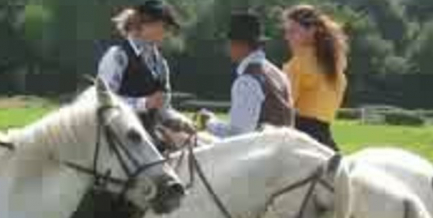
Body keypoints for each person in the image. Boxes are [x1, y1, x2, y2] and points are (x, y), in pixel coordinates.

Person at [97, 0, 191, 146]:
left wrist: (181, 121)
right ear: (146, 25)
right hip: (118, 142)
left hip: (150, 140)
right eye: (164, 26)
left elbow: (164, 110)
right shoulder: (117, 55)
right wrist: (144, 103)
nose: (167, 32)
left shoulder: (161, 64)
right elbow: (104, 101)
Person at [202, 11, 294, 137]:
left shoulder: (247, 81)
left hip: (260, 153)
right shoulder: (278, 74)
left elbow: (237, 135)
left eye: (230, 42)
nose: (227, 47)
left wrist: (209, 123)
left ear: (240, 44)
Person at [282, 4, 349, 151]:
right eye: (286, 31)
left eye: (293, 31)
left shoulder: (297, 64)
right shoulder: (337, 67)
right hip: (326, 142)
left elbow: (284, 109)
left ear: (311, 31)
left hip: (300, 141)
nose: (287, 37)